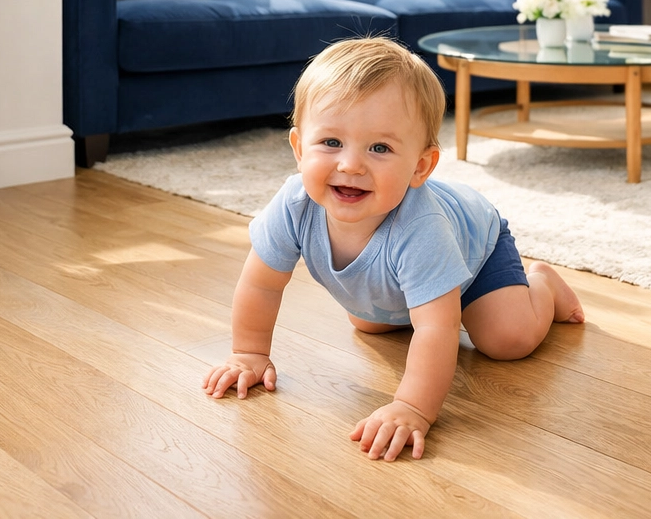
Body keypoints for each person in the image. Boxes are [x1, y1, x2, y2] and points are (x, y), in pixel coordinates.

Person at [201, 37, 585, 461]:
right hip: (399, 281)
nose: (350, 164)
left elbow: (437, 330)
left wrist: (412, 407)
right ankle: (411, 297)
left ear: (420, 167)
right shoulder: (294, 204)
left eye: (379, 148)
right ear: (298, 148)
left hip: (477, 251)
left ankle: (543, 285)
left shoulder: (421, 229)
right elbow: (261, 285)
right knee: (369, 322)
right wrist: (248, 354)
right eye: (331, 142)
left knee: (505, 339)